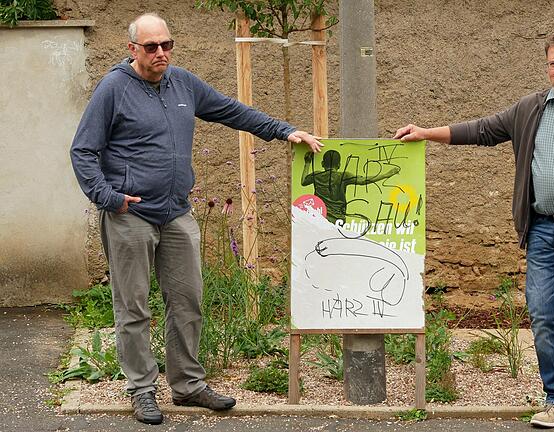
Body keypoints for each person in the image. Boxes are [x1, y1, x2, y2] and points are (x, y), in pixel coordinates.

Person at [70, 13, 322, 425]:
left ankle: (187, 385)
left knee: (188, 301)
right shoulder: (114, 88)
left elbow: (232, 111)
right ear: (132, 49)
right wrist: (109, 198)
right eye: (151, 47)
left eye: (167, 45)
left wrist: (284, 130)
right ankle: (141, 389)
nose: (161, 53)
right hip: (130, 214)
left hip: (176, 213)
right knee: (132, 307)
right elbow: (82, 151)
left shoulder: (183, 83)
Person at [394, 33, 554, 430]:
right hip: (543, 232)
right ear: (547, 68)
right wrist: (426, 132)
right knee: (544, 317)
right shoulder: (530, 109)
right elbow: (481, 130)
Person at [301, 149, 400, 224]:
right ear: (339, 165)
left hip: (320, 217)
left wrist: (307, 163)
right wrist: (386, 174)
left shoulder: (316, 175)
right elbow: (363, 181)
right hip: (337, 219)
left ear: (323, 164)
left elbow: (303, 181)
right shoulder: (343, 176)